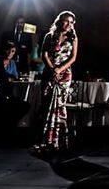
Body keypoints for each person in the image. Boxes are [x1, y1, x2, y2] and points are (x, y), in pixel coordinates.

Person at [34, 11, 78, 155]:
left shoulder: (73, 38)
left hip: (64, 74)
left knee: (59, 107)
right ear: (59, 21)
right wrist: (53, 69)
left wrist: (60, 69)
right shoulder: (49, 36)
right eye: (66, 21)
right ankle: (44, 141)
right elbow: (44, 54)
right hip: (49, 72)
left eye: (71, 22)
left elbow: (73, 57)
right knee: (46, 106)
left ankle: (58, 142)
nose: (68, 25)